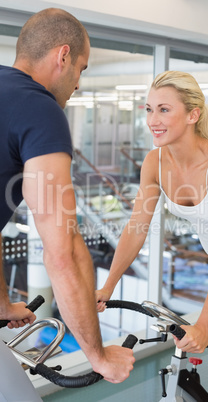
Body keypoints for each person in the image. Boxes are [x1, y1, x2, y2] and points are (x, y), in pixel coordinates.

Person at [96, 70, 208, 401]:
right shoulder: (155, 162)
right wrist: (108, 284)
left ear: (193, 115)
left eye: (164, 109)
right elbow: (136, 227)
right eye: (148, 109)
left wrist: (204, 325)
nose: (152, 119)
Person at [0, 7, 135, 389]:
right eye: (82, 68)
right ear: (63, 56)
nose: (78, 83)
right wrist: (100, 356)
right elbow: (63, 248)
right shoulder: (38, 107)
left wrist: (3, 303)